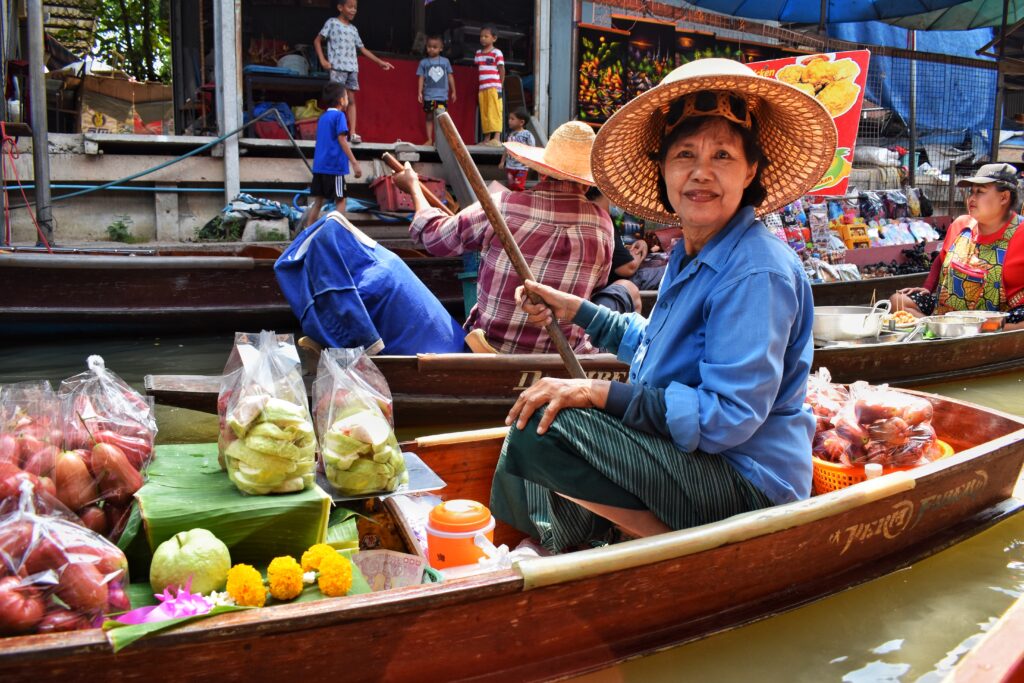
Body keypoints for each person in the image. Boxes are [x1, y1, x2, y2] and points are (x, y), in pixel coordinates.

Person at [489, 58, 839, 553]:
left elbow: (726, 417)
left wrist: (597, 393)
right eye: (684, 155)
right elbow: (654, 347)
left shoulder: (757, 270)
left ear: (751, 171)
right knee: (540, 412)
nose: (701, 174)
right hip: (692, 459)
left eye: (722, 156)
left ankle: (650, 543)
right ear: (663, 169)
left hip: (747, 482)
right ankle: (566, 539)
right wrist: (577, 310)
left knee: (552, 426)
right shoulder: (692, 250)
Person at [391, 120, 615, 354]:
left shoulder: (503, 206)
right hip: (562, 356)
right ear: (588, 185)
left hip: (492, 350)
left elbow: (434, 238)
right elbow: (596, 287)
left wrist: (413, 187)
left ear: (542, 171)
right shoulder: (602, 225)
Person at [275, 211, 466, 355]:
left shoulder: (365, 290)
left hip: (430, 368)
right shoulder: (386, 262)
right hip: (460, 350)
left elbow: (354, 344)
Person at [890, 163, 1024, 330]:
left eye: (980, 192)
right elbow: (941, 259)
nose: (971, 199)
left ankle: (974, 333)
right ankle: (939, 330)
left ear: (1004, 197)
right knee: (899, 301)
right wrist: (927, 287)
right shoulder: (961, 225)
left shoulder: (1020, 234)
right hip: (949, 315)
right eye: (971, 192)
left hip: (998, 321)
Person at [314, 0, 394, 145]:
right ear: (340, 7)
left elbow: (363, 49)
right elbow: (317, 41)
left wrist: (380, 62)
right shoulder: (332, 23)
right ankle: (335, 133)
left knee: (351, 101)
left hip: (352, 69)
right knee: (337, 101)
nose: (353, 10)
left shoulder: (353, 29)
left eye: (355, 8)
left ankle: (352, 133)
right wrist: (322, 60)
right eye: (350, 7)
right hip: (338, 68)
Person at [300, 82, 361, 231]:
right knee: (341, 200)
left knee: (318, 201)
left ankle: (308, 230)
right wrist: (354, 162)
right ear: (341, 100)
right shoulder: (339, 116)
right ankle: (335, 231)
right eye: (346, 96)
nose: (348, 99)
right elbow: (342, 140)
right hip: (334, 167)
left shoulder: (323, 117)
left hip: (320, 167)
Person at [587, 186, 647, 313]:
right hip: (601, 296)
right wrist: (642, 251)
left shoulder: (584, 214)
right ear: (606, 192)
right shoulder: (601, 220)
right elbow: (627, 267)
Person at [416, 35, 456, 147]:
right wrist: (419, 92)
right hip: (428, 95)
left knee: (441, 118)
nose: (431, 49)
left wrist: (454, 91)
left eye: (434, 47)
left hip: (442, 96)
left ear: (441, 48)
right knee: (429, 117)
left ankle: (440, 141)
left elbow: (450, 76)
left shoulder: (445, 61)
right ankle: (429, 139)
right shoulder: (423, 62)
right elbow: (421, 78)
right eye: (429, 46)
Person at [475, 25, 505, 147]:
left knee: (495, 111)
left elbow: (502, 69)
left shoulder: (497, 53)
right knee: (485, 112)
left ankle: (496, 138)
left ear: (494, 38)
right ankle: (487, 139)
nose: (483, 38)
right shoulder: (478, 53)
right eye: (481, 36)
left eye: (486, 36)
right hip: (483, 88)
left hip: (494, 87)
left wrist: (500, 85)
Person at [499, 108, 535, 190]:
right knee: (511, 186)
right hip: (510, 166)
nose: (509, 121)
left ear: (521, 122)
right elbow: (507, 149)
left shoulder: (527, 135)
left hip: (522, 167)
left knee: (518, 186)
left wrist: (531, 163)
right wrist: (502, 161)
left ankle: (519, 199)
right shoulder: (511, 135)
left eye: (512, 119)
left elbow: (532, 149)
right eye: (509, 119)